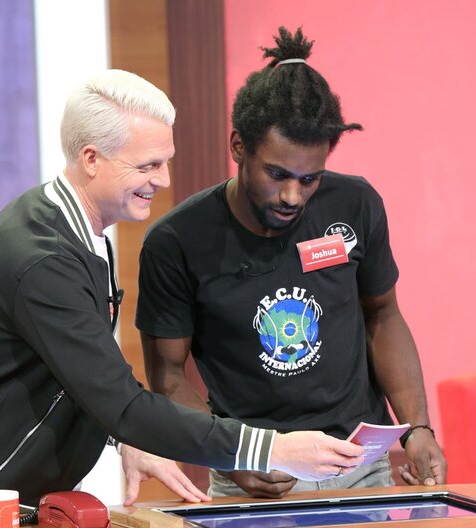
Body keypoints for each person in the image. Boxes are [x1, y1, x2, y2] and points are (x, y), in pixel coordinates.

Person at [0, 69, 365, 522]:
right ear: (91, 158)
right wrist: (274, 449)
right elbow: (123, 403)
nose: (164, 180)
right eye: (147, 165)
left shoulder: (78, 231)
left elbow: (83, 372)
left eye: (165, 161)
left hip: (20, 487)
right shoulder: (44, 259)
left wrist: (125, 438)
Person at [137, 27, 447, 499]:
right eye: (277, 174)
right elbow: (167, 375)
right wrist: (232, 453)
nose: (291, 196)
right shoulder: (177, 240)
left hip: (361, 468)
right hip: (255, 475)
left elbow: (382, 316)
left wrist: (417, 427)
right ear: (239, 147)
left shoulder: (356, 204)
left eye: (309, 179)